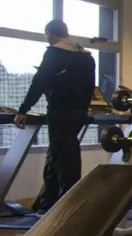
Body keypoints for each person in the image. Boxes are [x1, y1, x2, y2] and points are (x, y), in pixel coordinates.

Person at [13, 20, 95, 212]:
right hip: (78, 114)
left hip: (60, 112)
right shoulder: (87, 57)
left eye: (46, 36)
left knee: (65, 160)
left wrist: (23, 110)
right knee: (57, 155)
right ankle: (46, 203)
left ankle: (67, 208)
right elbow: (90, 88)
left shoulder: (55, 53)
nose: (47, 39)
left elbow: (39, 82)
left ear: (51, 33)